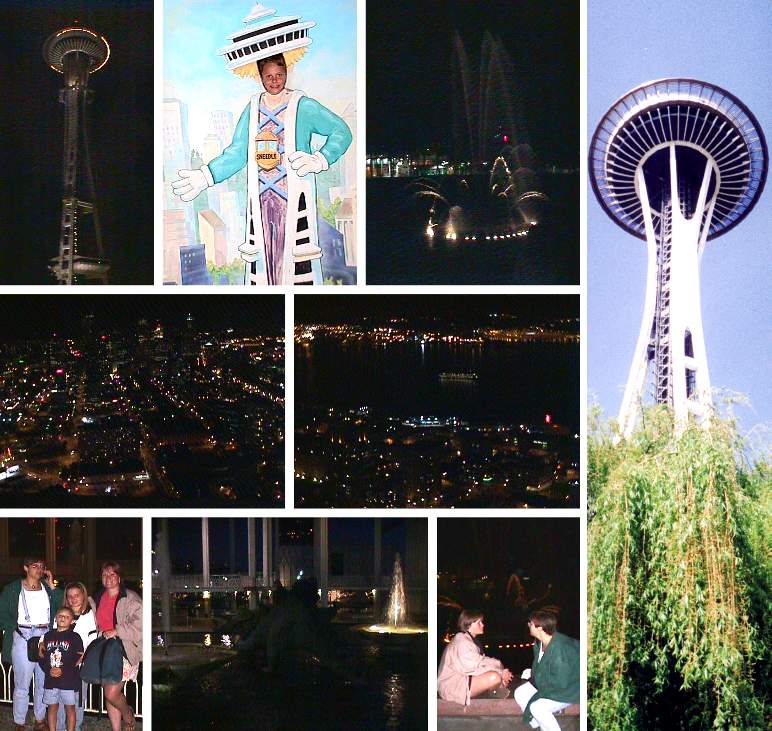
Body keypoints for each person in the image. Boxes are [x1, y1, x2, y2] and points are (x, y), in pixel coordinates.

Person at [172, 8, 352, 286]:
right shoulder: (252, 108)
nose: (275, 81)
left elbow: (341, 131)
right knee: (262, 270)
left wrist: (321, 159)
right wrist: (205, 176)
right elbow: (237, 152)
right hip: (261, 200)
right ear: (260, 76)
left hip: (295, 197)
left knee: (298, 264)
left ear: (286, 72)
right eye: (269, 76)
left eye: (279, 74)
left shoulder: (302, 106)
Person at [0, 555, 63, 731]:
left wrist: (52, 585)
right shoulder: (13, 589)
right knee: (22, 684)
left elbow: (61, 606)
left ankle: (40, 719)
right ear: (26, 568)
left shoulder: (47, 589)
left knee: (43, 682)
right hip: (23, 636)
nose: (39, 569)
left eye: (42, 566)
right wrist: (12, 628)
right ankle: (19, 722)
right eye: (35, 566)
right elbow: (2, 612)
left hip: (45, 637)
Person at [93, 562, 142, 731]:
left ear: (119, 577)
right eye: (104, 574)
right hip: (105, 649)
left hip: (124, 650)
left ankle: (128, 715)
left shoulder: (130, 598)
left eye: (112, 574)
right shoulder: (98, 597)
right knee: (109, 691)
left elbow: (141, 625)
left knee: (111, 693)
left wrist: (117, 631)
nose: (108, 578)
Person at [514, 609, 580, 731]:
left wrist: (537, 688)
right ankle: (539, 725)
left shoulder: (560, 649)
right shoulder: (540, 643)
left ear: (539, 628)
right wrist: (533, 674)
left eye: (531, 623)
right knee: (520, 693)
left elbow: (561, 683)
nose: (528, 625)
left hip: (570, 690)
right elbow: (542, 668)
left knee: (537, 707)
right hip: (550, 683)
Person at [437, 609, 514, 705]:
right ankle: (495, 687)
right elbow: (471, 667)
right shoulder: (462, 641)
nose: (483, 625)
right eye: (479, 622)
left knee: (497, 678)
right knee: (494, 677)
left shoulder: (470, 640)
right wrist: (500, 671)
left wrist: (500, 669)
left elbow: (481, 662)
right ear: (469, 624)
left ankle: (495, 687)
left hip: (462, 679)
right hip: (452, 685)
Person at [56, 582, 98, 731]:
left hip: (80, 666)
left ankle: (76, 727)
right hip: (60, 665)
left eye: (77, 595)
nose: (74, 599)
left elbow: (93, 641)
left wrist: (83, 657)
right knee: (60, 699)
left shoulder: (90, 615)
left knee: (78, 699)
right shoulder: (63, 614)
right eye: (70, 596)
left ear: (83, 595)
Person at [39, 606, 84, 731]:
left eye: (67, 616)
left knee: (70, 709)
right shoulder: (47, 636)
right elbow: (42, 657)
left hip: (69, 681)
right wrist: (48, 670)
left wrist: (63, 670)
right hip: (51, 680)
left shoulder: (75, 637)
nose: (63, 618)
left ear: (72, 621)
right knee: (52, 707)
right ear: (55, 618)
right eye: (60, 615)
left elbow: (79, 657)